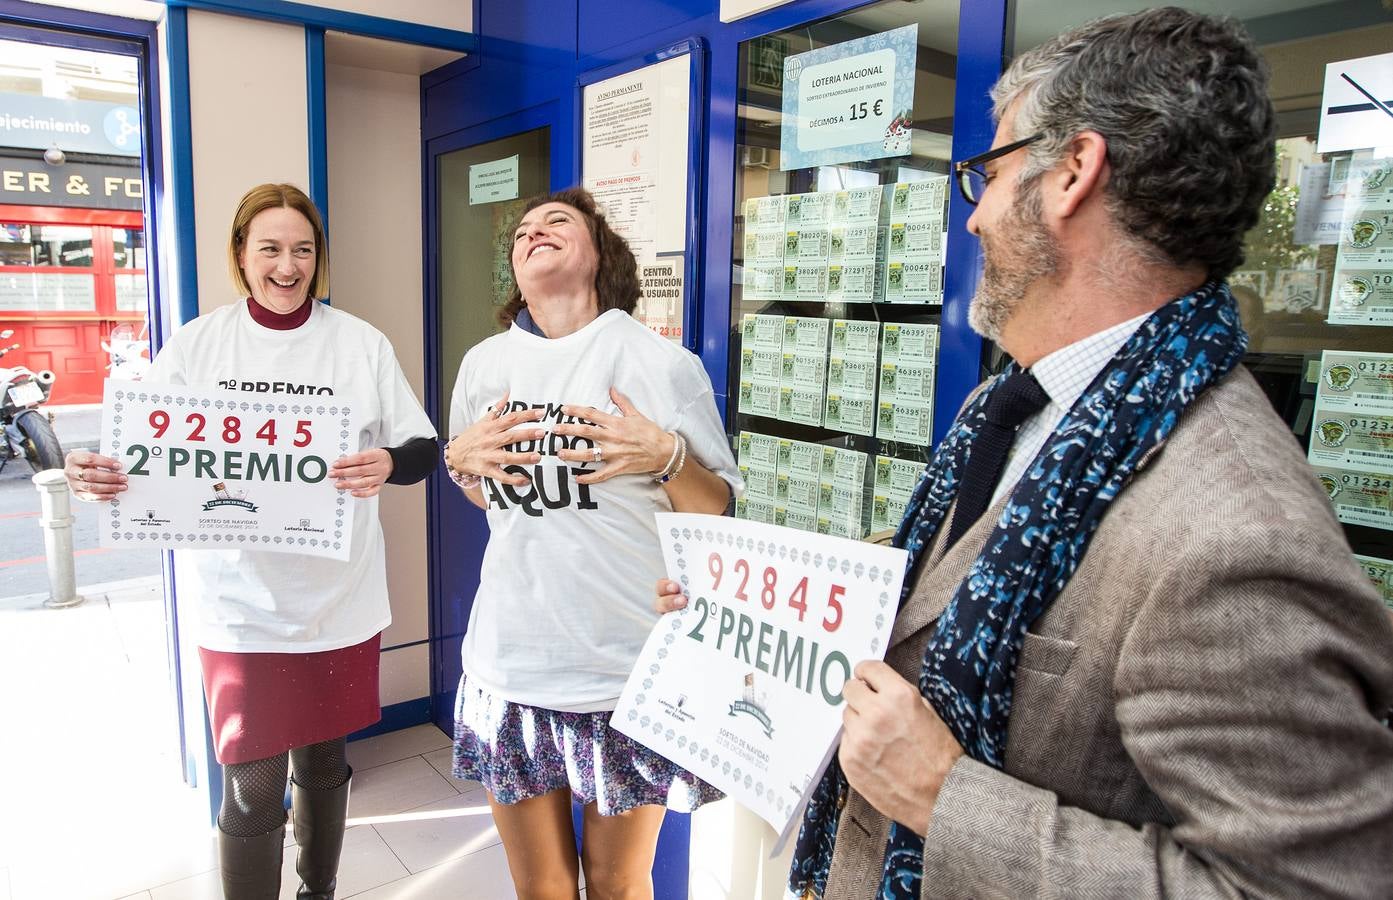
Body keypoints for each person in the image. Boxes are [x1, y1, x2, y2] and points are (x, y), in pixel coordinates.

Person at [669, 9, 1393, 898]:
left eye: (988, 172)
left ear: (1071, 174)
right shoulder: (1011, 405)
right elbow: (944, 607)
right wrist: (764, 603)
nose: (970, 219)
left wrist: (944, 797)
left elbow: (1307, 886)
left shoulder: (1235, 536)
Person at [64, 183, 437, 899]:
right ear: (241, 255)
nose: (288, 265)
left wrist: (390, 462)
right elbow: (151, 453)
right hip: (238, 607)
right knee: (252, 788)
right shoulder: (201, 342)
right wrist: (101, 472)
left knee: (325, 763)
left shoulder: (359, 344)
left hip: (338, 598)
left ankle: (317, 892)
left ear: (318, 257)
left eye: (303, 249)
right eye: (270, 248)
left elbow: (421, 446)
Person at [443, 187, 741, 900]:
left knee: (616, 882)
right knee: (540, 888)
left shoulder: (657, 364)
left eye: (557, 222)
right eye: (521, 231)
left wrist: (666, 454)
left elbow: (720, 507)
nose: (533, 232)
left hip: (622, 670)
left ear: (600, 256)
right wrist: (460, 463)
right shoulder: (484, 366)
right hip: (509, 662)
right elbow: (483, 493)